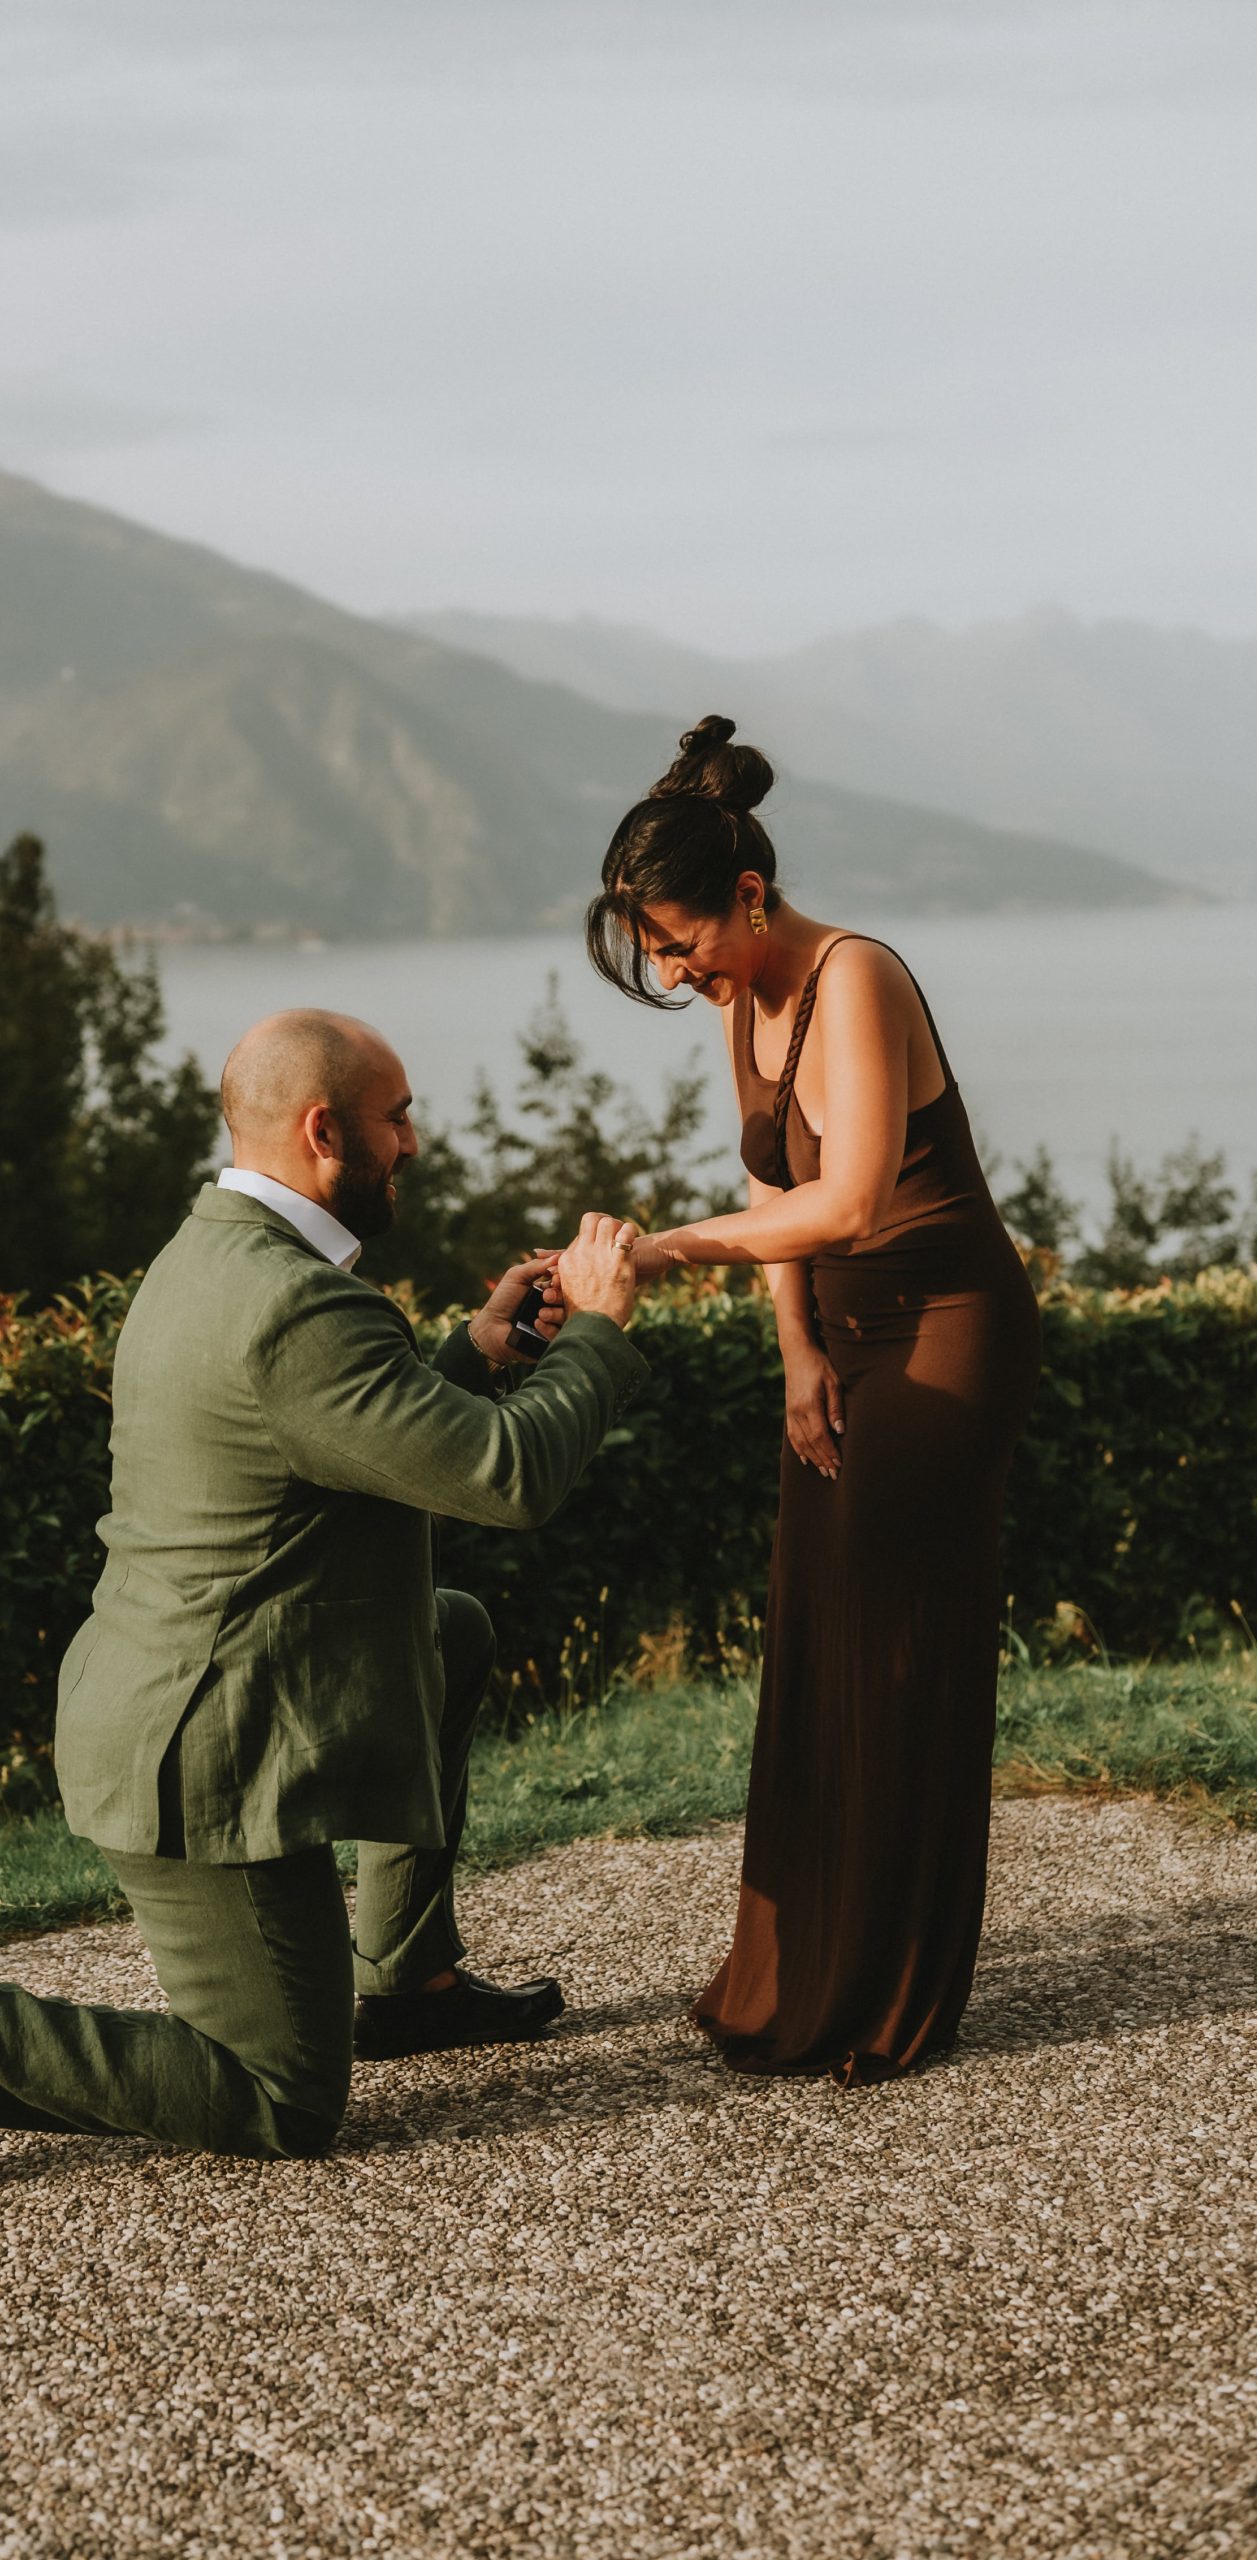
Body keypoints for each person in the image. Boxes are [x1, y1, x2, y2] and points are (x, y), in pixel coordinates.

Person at [0, 1009, 648, 2194]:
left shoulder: (216, 1256)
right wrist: (598, 1331)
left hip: (176, 1682)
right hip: (201, 1744)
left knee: (448, 1630)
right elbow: (505, 1477)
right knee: (282, 2096)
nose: (415, 1140)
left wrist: (473, 1356)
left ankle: (408, 1977)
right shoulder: (293, 1307)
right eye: (399, 1116)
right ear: (326, 1129)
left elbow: (344, 1440)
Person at [584, 716, 1040, 2085]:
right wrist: (794, 1352)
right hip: (840, 1341)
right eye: (656, 954)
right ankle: (799, 1971)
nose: (675, 974)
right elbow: (779, 1196)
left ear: (749, 894)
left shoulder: (856, 978)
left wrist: (660, 1253)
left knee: (895, 1640)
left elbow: (854, 1199)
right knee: (816, 1629)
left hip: (947, 1329)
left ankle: (885, 1993)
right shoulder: (745, 1000)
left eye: (682, 941)